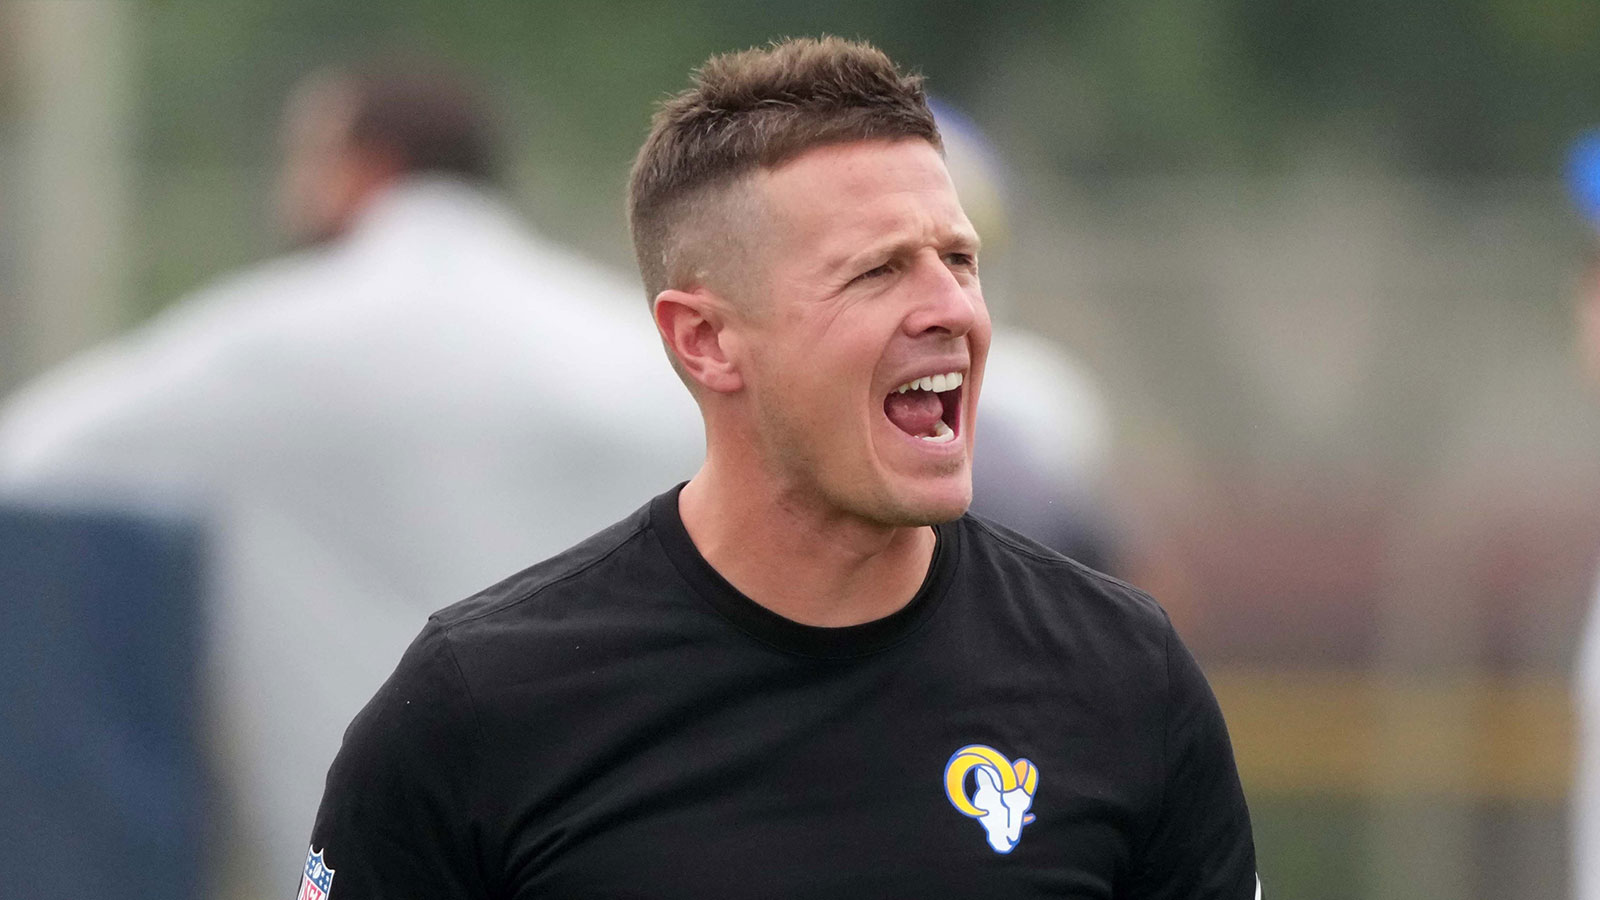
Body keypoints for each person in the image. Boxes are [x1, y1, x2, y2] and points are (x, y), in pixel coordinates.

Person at [305, 37, 1258, 898]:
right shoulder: (475, 710)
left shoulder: (1127, 678)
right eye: (878, 270)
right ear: (707, 340)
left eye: (958, 260)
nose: (951, 309)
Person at [0, 60, 701, 894]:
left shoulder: (274, 348)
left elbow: (34, 455)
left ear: (362, 165)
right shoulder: (631, 351)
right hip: (617, 839)